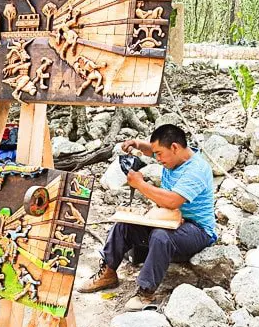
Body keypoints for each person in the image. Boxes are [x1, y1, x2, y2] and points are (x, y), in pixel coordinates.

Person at [78, 124, 216, 310]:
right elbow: (155, 150)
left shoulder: (196, 169)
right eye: (156, 154)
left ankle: (146, 292)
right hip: (171, 220)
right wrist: (137, 144)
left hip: (197, 230)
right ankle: (108, 272)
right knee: (123, 225)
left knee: (161, 236)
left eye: (160, 154)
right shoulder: (174, 156)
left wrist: (140, 184)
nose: (157, 159)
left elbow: (173, 201)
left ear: (175, 147)